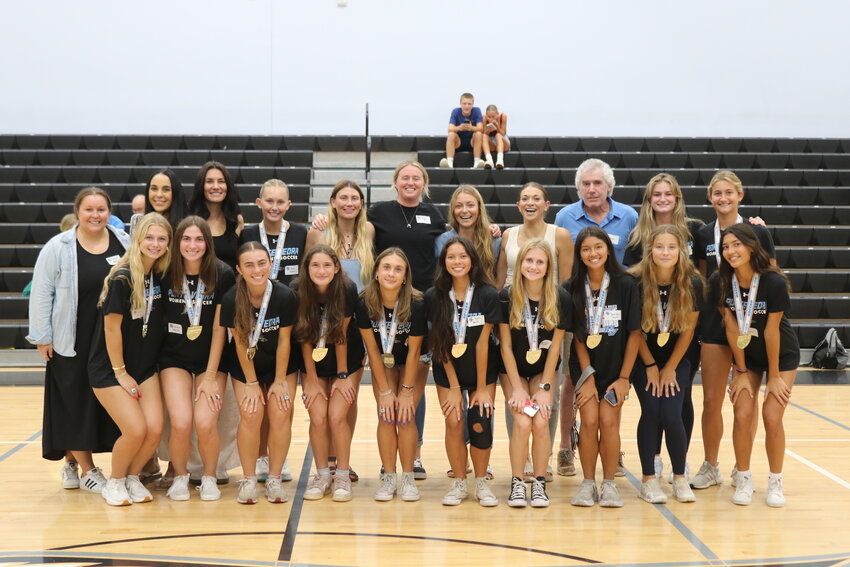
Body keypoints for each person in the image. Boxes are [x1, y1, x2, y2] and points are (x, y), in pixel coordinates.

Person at [27, 187, 129, 493]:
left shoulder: (123, 242)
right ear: (78, 212)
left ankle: (72, 462)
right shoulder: (57, 246)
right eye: (89, 209)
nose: (95, 215)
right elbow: (42, 293)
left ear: (109, 212)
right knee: (73, 402)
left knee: (100, 403)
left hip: (110, 338)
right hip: (70, 338)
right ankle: (86, 469)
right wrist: (43, 336)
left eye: (101, 209)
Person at [690, 170, 776, 491]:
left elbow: (771, 275)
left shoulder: (757, 232)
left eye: (729, 193)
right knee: (711, 400)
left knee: (746, 401)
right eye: (717, 193)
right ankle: (711, 465)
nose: (723, 198)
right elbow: (702, 279)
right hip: (714, 324)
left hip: (749, 323)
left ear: (740, 195)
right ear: (710, 198)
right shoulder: (701, 235)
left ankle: (744, 469)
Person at [623, 173, 704, 481]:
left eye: (668, 194)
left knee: (680, 400)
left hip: (682, 331)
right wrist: (651, 363)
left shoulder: (695, 231)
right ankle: (652, 461)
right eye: (656, 194)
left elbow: (706, 271)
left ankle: (678, 466)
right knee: (653, 406)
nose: (662, 199)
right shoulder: (636, 239)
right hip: (647, 335)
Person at [88, 213, 171, 506]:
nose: (155, 243)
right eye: (149, 237)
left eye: (162, 238)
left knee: (155, 429)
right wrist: (120, 372)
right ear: (137, 240)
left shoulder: (158, 276)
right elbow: (111, 328)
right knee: (135, 430)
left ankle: (133, 477)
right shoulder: (123, 277)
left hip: (145, 367)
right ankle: (115, 481)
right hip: (111, 369)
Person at [719, 223, 799, 507]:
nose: (731, 251)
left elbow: (771, 331)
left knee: (772, 415)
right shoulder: (721, 281)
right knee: (742, 412)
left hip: (781, 354)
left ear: (751, 247)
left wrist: (774, 376)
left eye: (736, 245)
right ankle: (744, 478)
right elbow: (731, 329)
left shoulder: (773, 282)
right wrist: (739, 371)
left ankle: (775, 482)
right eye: (726, 246)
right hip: (747, 358)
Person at [159, 216, 235, 501]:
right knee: (180, 421)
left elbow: (219, 328)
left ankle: (209, 476)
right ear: (178, 242)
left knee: (205, 422)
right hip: (173, 358)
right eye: (186, 239)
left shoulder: (222, 273)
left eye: (199, 239)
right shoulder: (165, 272)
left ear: (208, 243)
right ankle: (180, 476)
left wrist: (212, 375)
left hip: (211, 360)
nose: (193, 245)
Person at [219, 242, 299, 504]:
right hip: (246, 366)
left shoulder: (285, 296)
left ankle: (274, 478)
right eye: (249, 265)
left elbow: (285, 341)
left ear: (270, 264)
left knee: (280, 413)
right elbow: (241, 342)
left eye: (261, 263)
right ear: (240, 269)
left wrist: (279, 380)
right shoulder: (232, 298)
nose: (257, 270)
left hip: (280, 364)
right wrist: (252, 383)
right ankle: (249, 479)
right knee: (251, 415)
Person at [567, 227, 641, 508]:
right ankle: (588, 484)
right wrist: (586, 377)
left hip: (616, 368)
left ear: (608, 249)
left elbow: (634, 334)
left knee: (608, 421)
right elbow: (578, 337)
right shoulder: (572, 287)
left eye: (598, 247)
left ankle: (609, 484)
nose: (592, 253)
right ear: (580, 254)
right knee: (589, 420)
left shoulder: (625, 284)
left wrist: (624, 378)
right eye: (586, 249)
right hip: (585, 368)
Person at [628, 225, 701, 504]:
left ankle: (680, 477)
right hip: (642, 357)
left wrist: (670, 367)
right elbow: (634, 332)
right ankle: (648, 480)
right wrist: (650, 366)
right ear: (650, 250)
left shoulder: (692, 283)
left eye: (672, 247)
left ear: (681, 251)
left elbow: (689, 332)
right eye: (660, 247)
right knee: (651, 409)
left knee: (671, 413)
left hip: (677, 359)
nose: (666, 252)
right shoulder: (635, 282)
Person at [427, 236, 500, 507]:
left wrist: (481, 387)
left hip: (482, 369)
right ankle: (459, 482)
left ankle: (481, 483)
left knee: (480, 421)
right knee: (454, 422)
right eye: (451, 257)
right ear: (443, 262)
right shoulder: (435, 295)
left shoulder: (487, 294)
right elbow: (441, 343)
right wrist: (456, 388)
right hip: (448, 368)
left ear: (472, 260)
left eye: (462, 256)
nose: (457, 262)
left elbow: (483, 343)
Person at [499, 240, 570, 508]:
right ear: (520, 265)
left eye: (540, 262)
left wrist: (546, 388)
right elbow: (505, 347)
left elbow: (556, 350)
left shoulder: (560, 297)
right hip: (512, 371)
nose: (533, 266)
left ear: (548, 266)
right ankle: (518, 482)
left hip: (543, 370)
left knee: (540, 419)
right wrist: (517, 388)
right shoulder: (506, 296)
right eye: (529, 261)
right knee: (521, 421)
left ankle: (539, 482)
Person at [295, 245, 365, 502]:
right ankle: (323, 473)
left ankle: (342, 474)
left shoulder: (346, 288)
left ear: (336, 268)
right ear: (307, 268)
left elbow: (341, 335)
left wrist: (343, 375)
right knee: (317, 416)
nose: (321, 270)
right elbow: (303, 338)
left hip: (346, 356)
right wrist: (311, 379)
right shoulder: (298, 289)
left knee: (336, 416)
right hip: (311, 357)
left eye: (327, 265)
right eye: (315, 265)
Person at [356, 248, 427, 502]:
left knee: (405, 415)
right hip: (384, 359)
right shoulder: (364, 301)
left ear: (406, 276)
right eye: (386, 267)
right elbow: (373, 350)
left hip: (414, 361)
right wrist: (386, 391)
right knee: (386, 415)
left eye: (398, 269)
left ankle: (408, 477)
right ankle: (388, 476)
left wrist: (406, 392)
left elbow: (415, 350)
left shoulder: (417, 303)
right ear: (376, 272)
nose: (391, 273)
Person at [554, 158, 638, 265]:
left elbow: (638, 261)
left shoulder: (629, 216)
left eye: (597, 183)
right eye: (586, 184)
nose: (591, 190)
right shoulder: (564, 217)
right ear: (578, 188)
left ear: (609, 186)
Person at [496, 182, 573, 287]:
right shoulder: (508, 235)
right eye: (525, 199)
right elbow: (500, 281)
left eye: (536, 199)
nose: (530, 203)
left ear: (546, 205)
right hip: (511, 299)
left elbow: (565, 282)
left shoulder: (561, 235)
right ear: (518, 206)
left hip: (548, 301)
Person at [306, 179, 375, 291]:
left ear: (361, 204)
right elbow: (306, 274)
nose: (349, 203)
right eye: (343, 198)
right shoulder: (318, 232)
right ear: (333, 202)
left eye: (354, 198)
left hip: (363, 306)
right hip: (331, 305)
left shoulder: (369, 230)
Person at [241, 179, 309, 287]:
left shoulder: (300, 232)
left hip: (293, 299)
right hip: (258, 300)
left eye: (280, 202)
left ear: (288, 205)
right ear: (259, 203)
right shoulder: (247, 235)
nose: (274, 207)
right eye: (269, 201)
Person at [435, 185, 500, 276]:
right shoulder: (442, 241)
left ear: (479, 208)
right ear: (453, 210)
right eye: (458, 206)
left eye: (470, 205)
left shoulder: (494, 241)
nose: (464, 210)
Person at [189, 161, 244, 269]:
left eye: (221, 181)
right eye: (209, 181)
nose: (216, 186)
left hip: (229, 284)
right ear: (201, 186)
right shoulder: (189, 219)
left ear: (227, 186)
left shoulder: (237, 220)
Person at [130, 169, 189, 235]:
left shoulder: (188, 226)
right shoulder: (138, 221)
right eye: (154, 189)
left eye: (166, 189)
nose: (159, 195)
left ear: (175, 193)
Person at [438, 92, 485, 169]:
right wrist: (459, 127)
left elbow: (481, 128)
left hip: (472, 143)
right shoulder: (455, 111)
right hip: (458, 143)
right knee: (451, 134)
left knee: (478, 134)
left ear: (472, 105)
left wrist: (471, 128)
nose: (467, 106)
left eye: (469, 104)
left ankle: (477, 163)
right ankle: (449, 163)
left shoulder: (477, 111)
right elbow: (450, 129)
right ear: (460, 104)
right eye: (464, 103)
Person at [482, 104, 509, 169]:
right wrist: (488, 130)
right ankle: (489, 160)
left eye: (493, 116)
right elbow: (483, 133)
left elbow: (503, 133)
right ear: (486, 115)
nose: (491, 119)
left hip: (502, 141)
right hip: (491, 143)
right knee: (484, 136)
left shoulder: (503, 116)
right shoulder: (484, 117)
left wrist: (497, 127)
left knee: (498, 135)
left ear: (497, 114)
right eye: (489, 117)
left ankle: (500, 160)